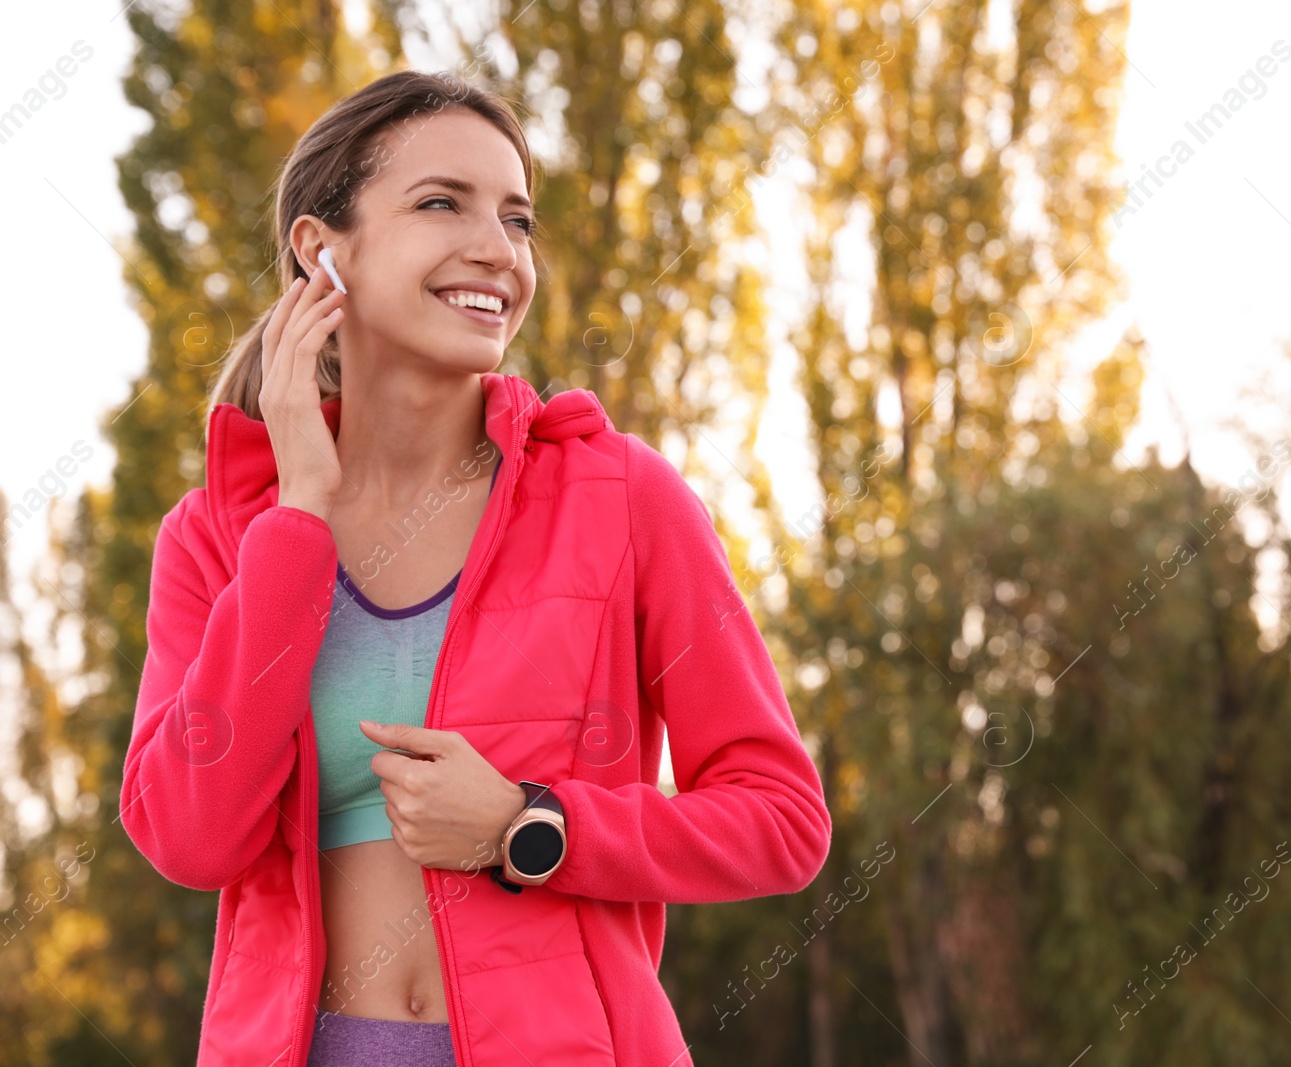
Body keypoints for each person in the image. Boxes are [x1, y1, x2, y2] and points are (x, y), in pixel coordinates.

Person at [118, 69, 832, 1067]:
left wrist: (527, 824)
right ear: (323, 252)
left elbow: (781, 819)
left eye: (517, 218)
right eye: (440, 202)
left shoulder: (621, 497)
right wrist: (297, 518)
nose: (497, 249)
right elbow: (190, 836)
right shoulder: (218, 533)